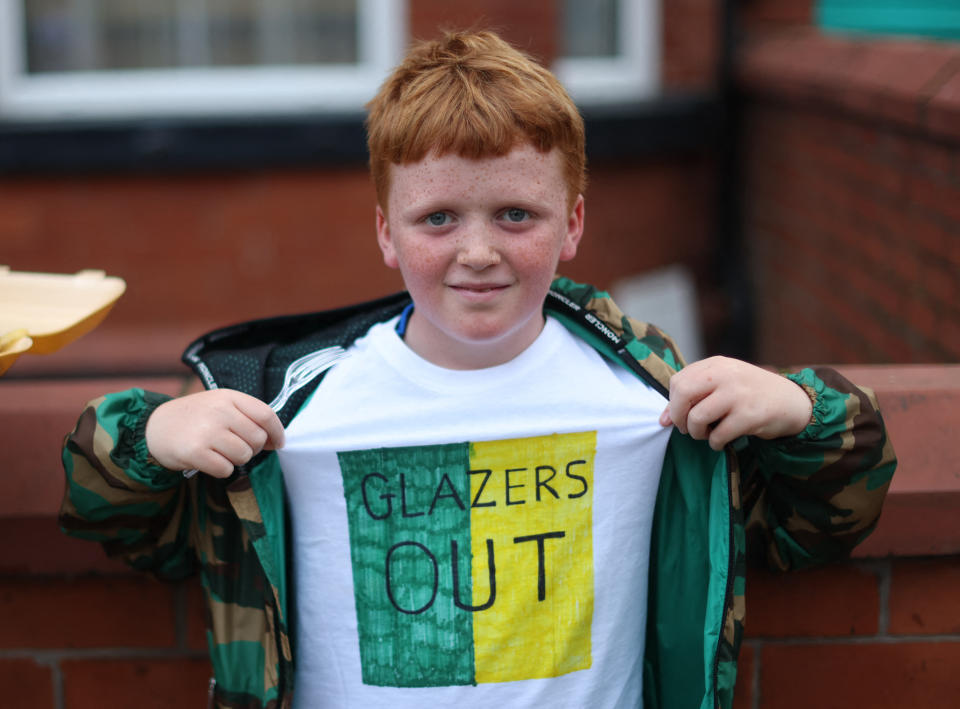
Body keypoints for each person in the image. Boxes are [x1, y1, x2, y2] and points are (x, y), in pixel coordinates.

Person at [60, 30, 896, 709]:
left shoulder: (651, 396)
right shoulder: (283, 403)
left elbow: (821, 522)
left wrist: (801, 408)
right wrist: (151, 436)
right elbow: (118, 524)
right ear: (386, 232)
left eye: (515, 213)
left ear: (572, 223)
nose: (478, 251)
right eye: (438, 217)